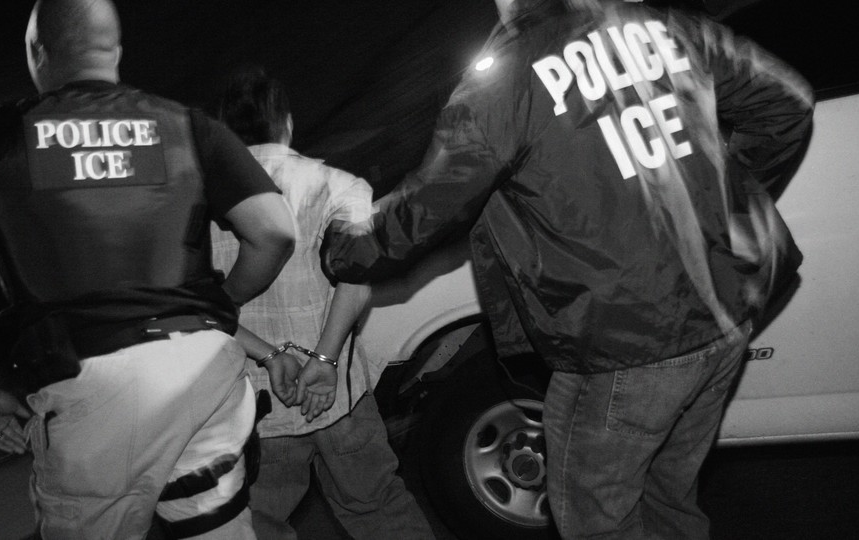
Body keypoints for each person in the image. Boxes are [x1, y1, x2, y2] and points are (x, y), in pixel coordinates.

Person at [322, 0, 814, 538]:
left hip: (627, 339)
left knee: (594, 518)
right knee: (669, 499)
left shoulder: (507, 79)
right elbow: (788, 102)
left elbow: (426, 208)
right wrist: (722, 204)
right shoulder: (662, 25)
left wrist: (342, 248)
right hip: (726, 310)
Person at [0, 0, 299, 538]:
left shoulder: (3, 135)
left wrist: (3, 382)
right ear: (117, 49)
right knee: (219, 530)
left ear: (38, 52)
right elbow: (274, 232)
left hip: (90, 381)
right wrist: (219, 308)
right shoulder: (186, 125)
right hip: (204, 371)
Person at [210, 68, 435, 540]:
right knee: (378, 509)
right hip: (339, 399)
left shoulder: (203, 205)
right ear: (287, 124)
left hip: (257, 408)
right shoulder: (339, 185)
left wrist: (271, 356)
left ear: (223, 131)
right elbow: (357, 279)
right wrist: (325, 360)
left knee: (258, 526)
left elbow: (200, 304)